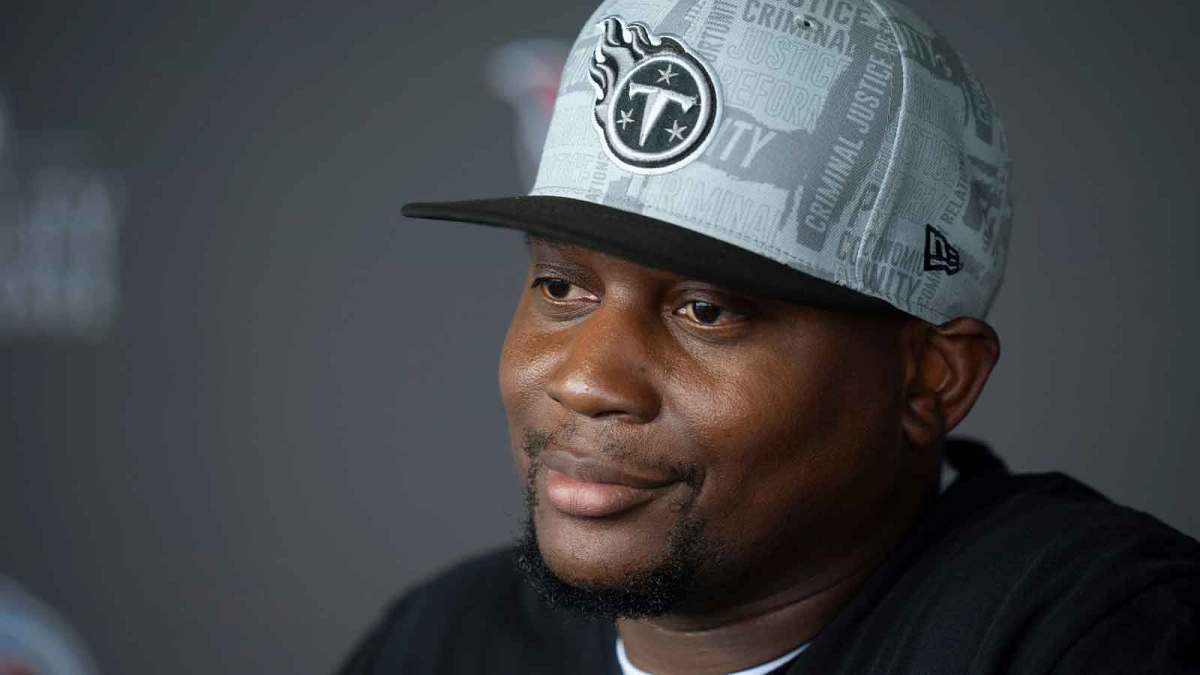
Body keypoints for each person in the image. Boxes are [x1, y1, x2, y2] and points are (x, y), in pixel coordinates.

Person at [338, 0, 1200, 672]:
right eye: (563, 287)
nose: (588, 379)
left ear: (931, 378)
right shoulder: (447, 639)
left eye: (707, 310)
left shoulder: (1104, 635)